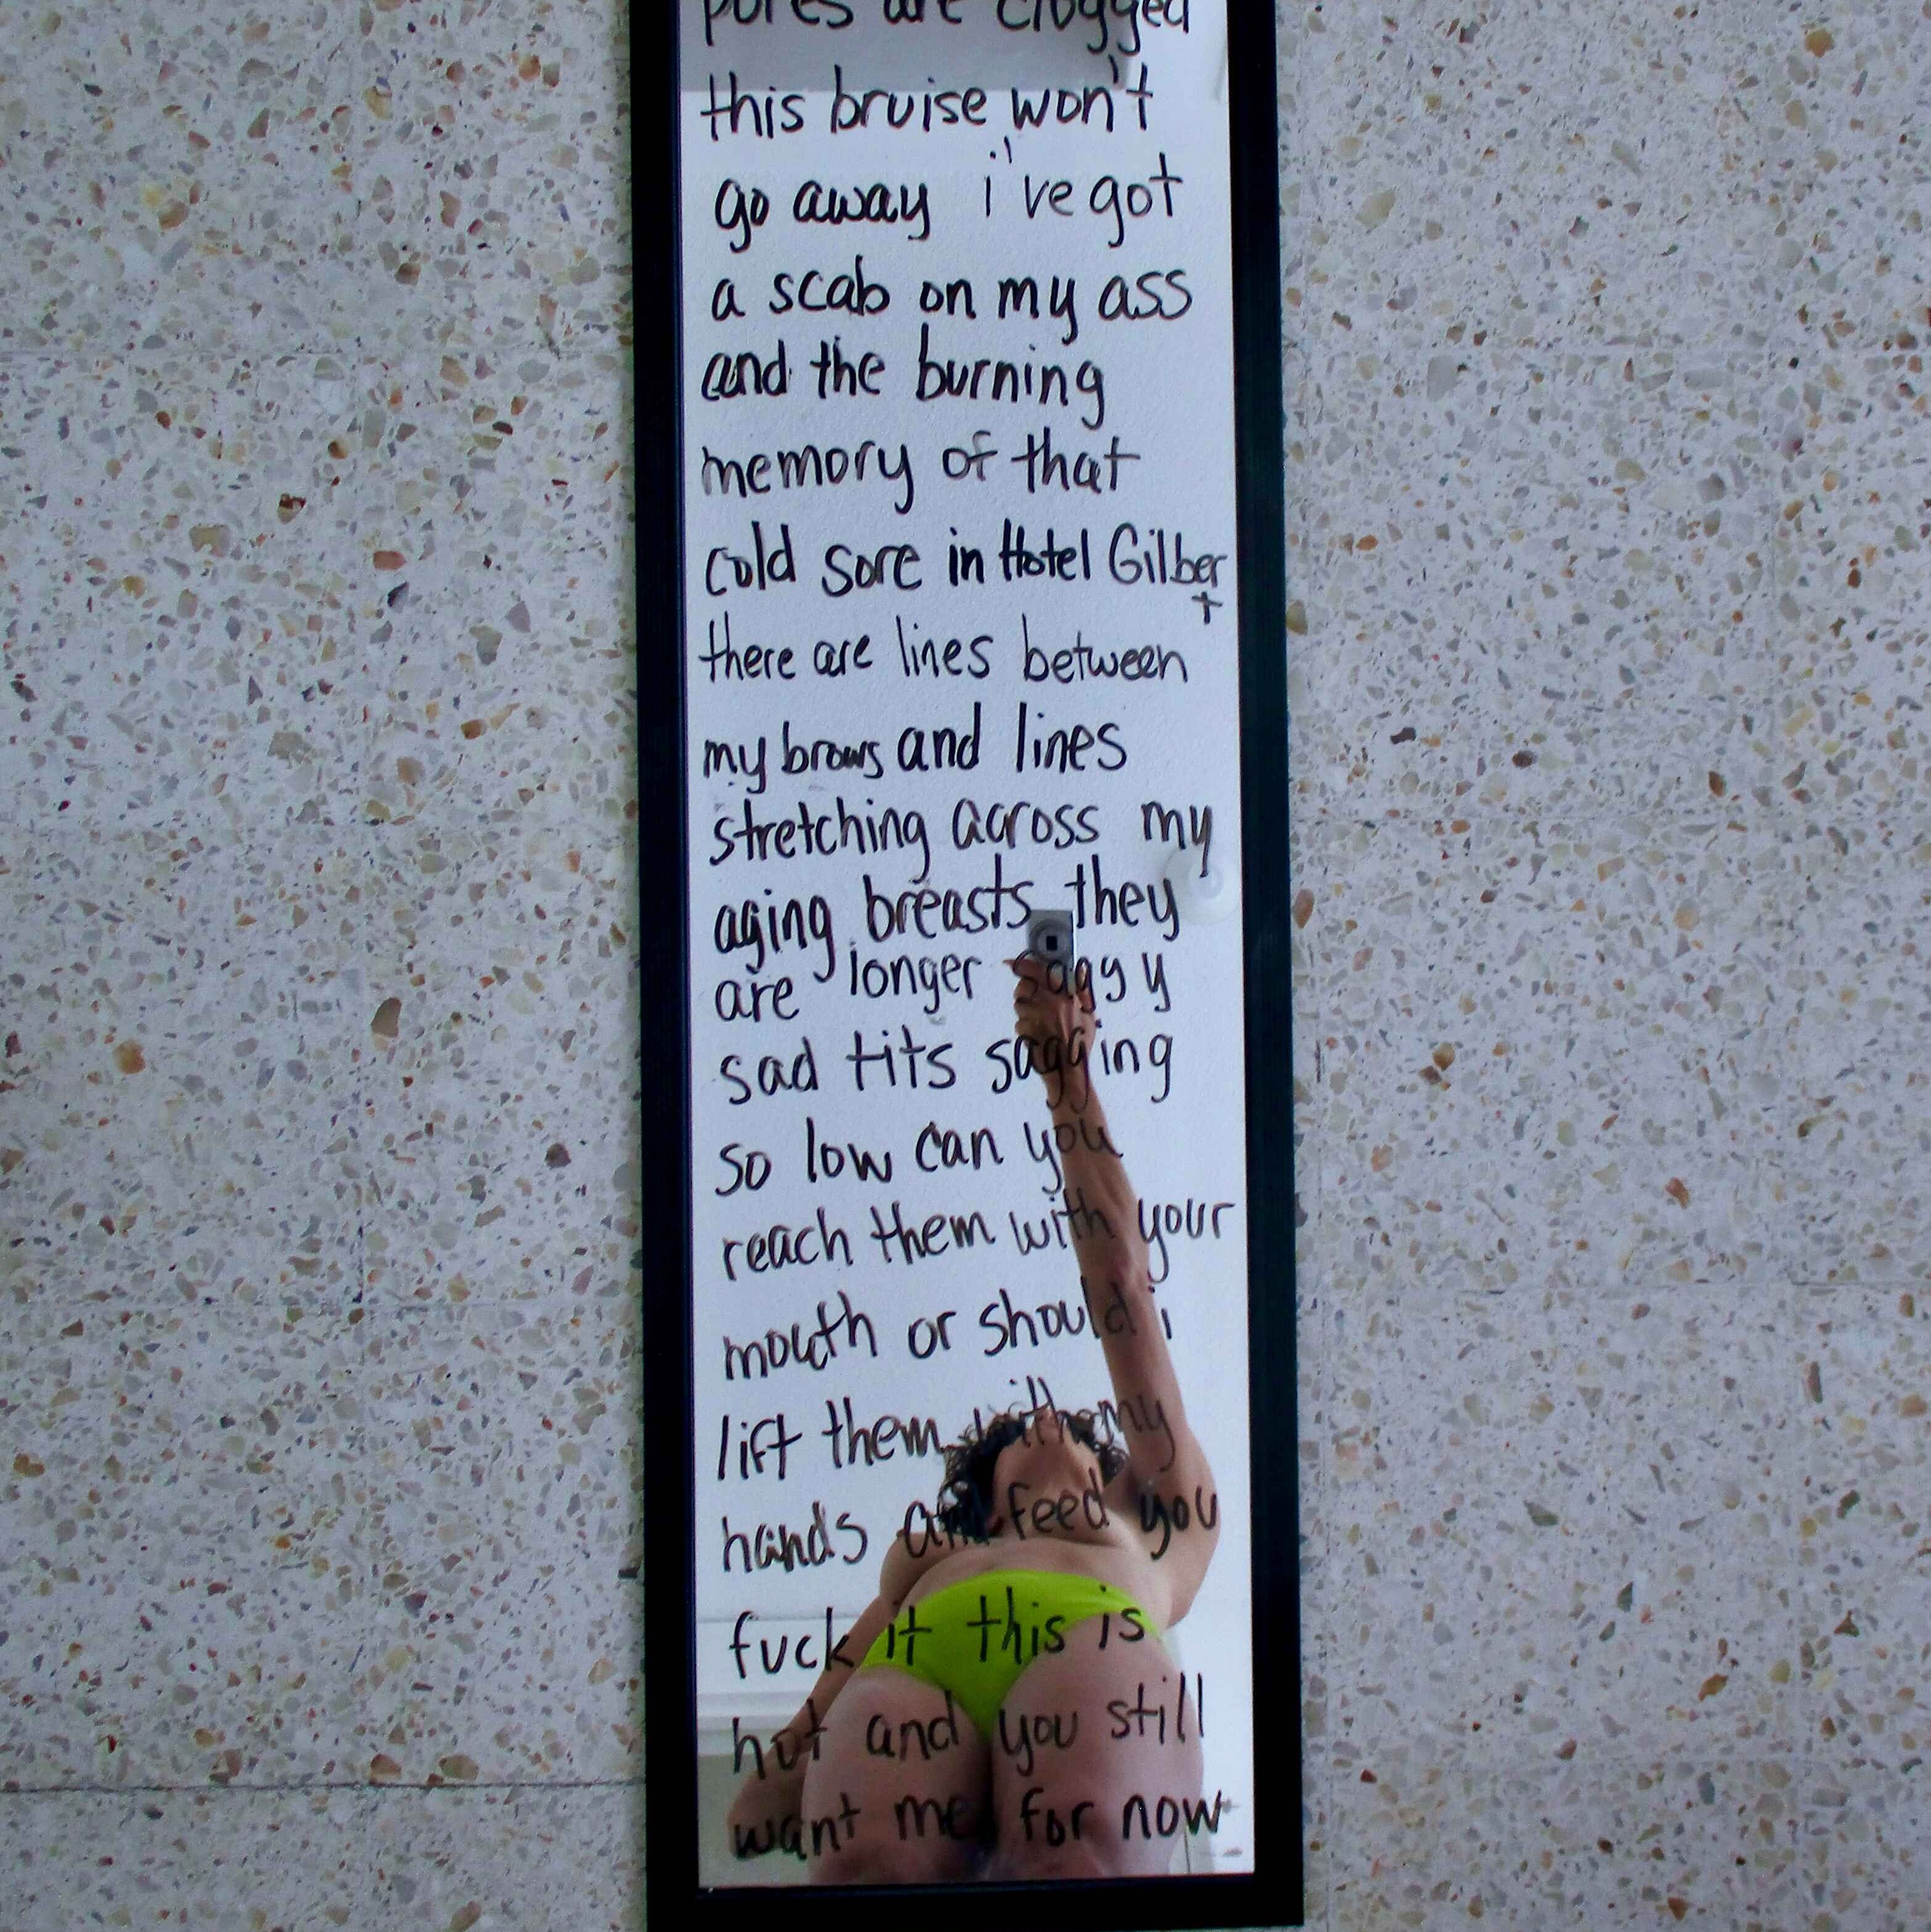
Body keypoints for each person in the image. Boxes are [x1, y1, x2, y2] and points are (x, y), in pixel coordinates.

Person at [727, 955, 1219, 1882]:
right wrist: (783, 1767)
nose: (1046, 1419)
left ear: (1105, 1465)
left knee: (1078, 1855)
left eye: (1072, 1429)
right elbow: (791, 1758)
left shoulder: (1156, 1516)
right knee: (864, 1873)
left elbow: (1123, 1283)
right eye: (1023, 1433)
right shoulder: (931, 1558)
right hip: (910, 1685)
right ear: (989, 1498)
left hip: (1095, 1654)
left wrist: (1067, 1080)